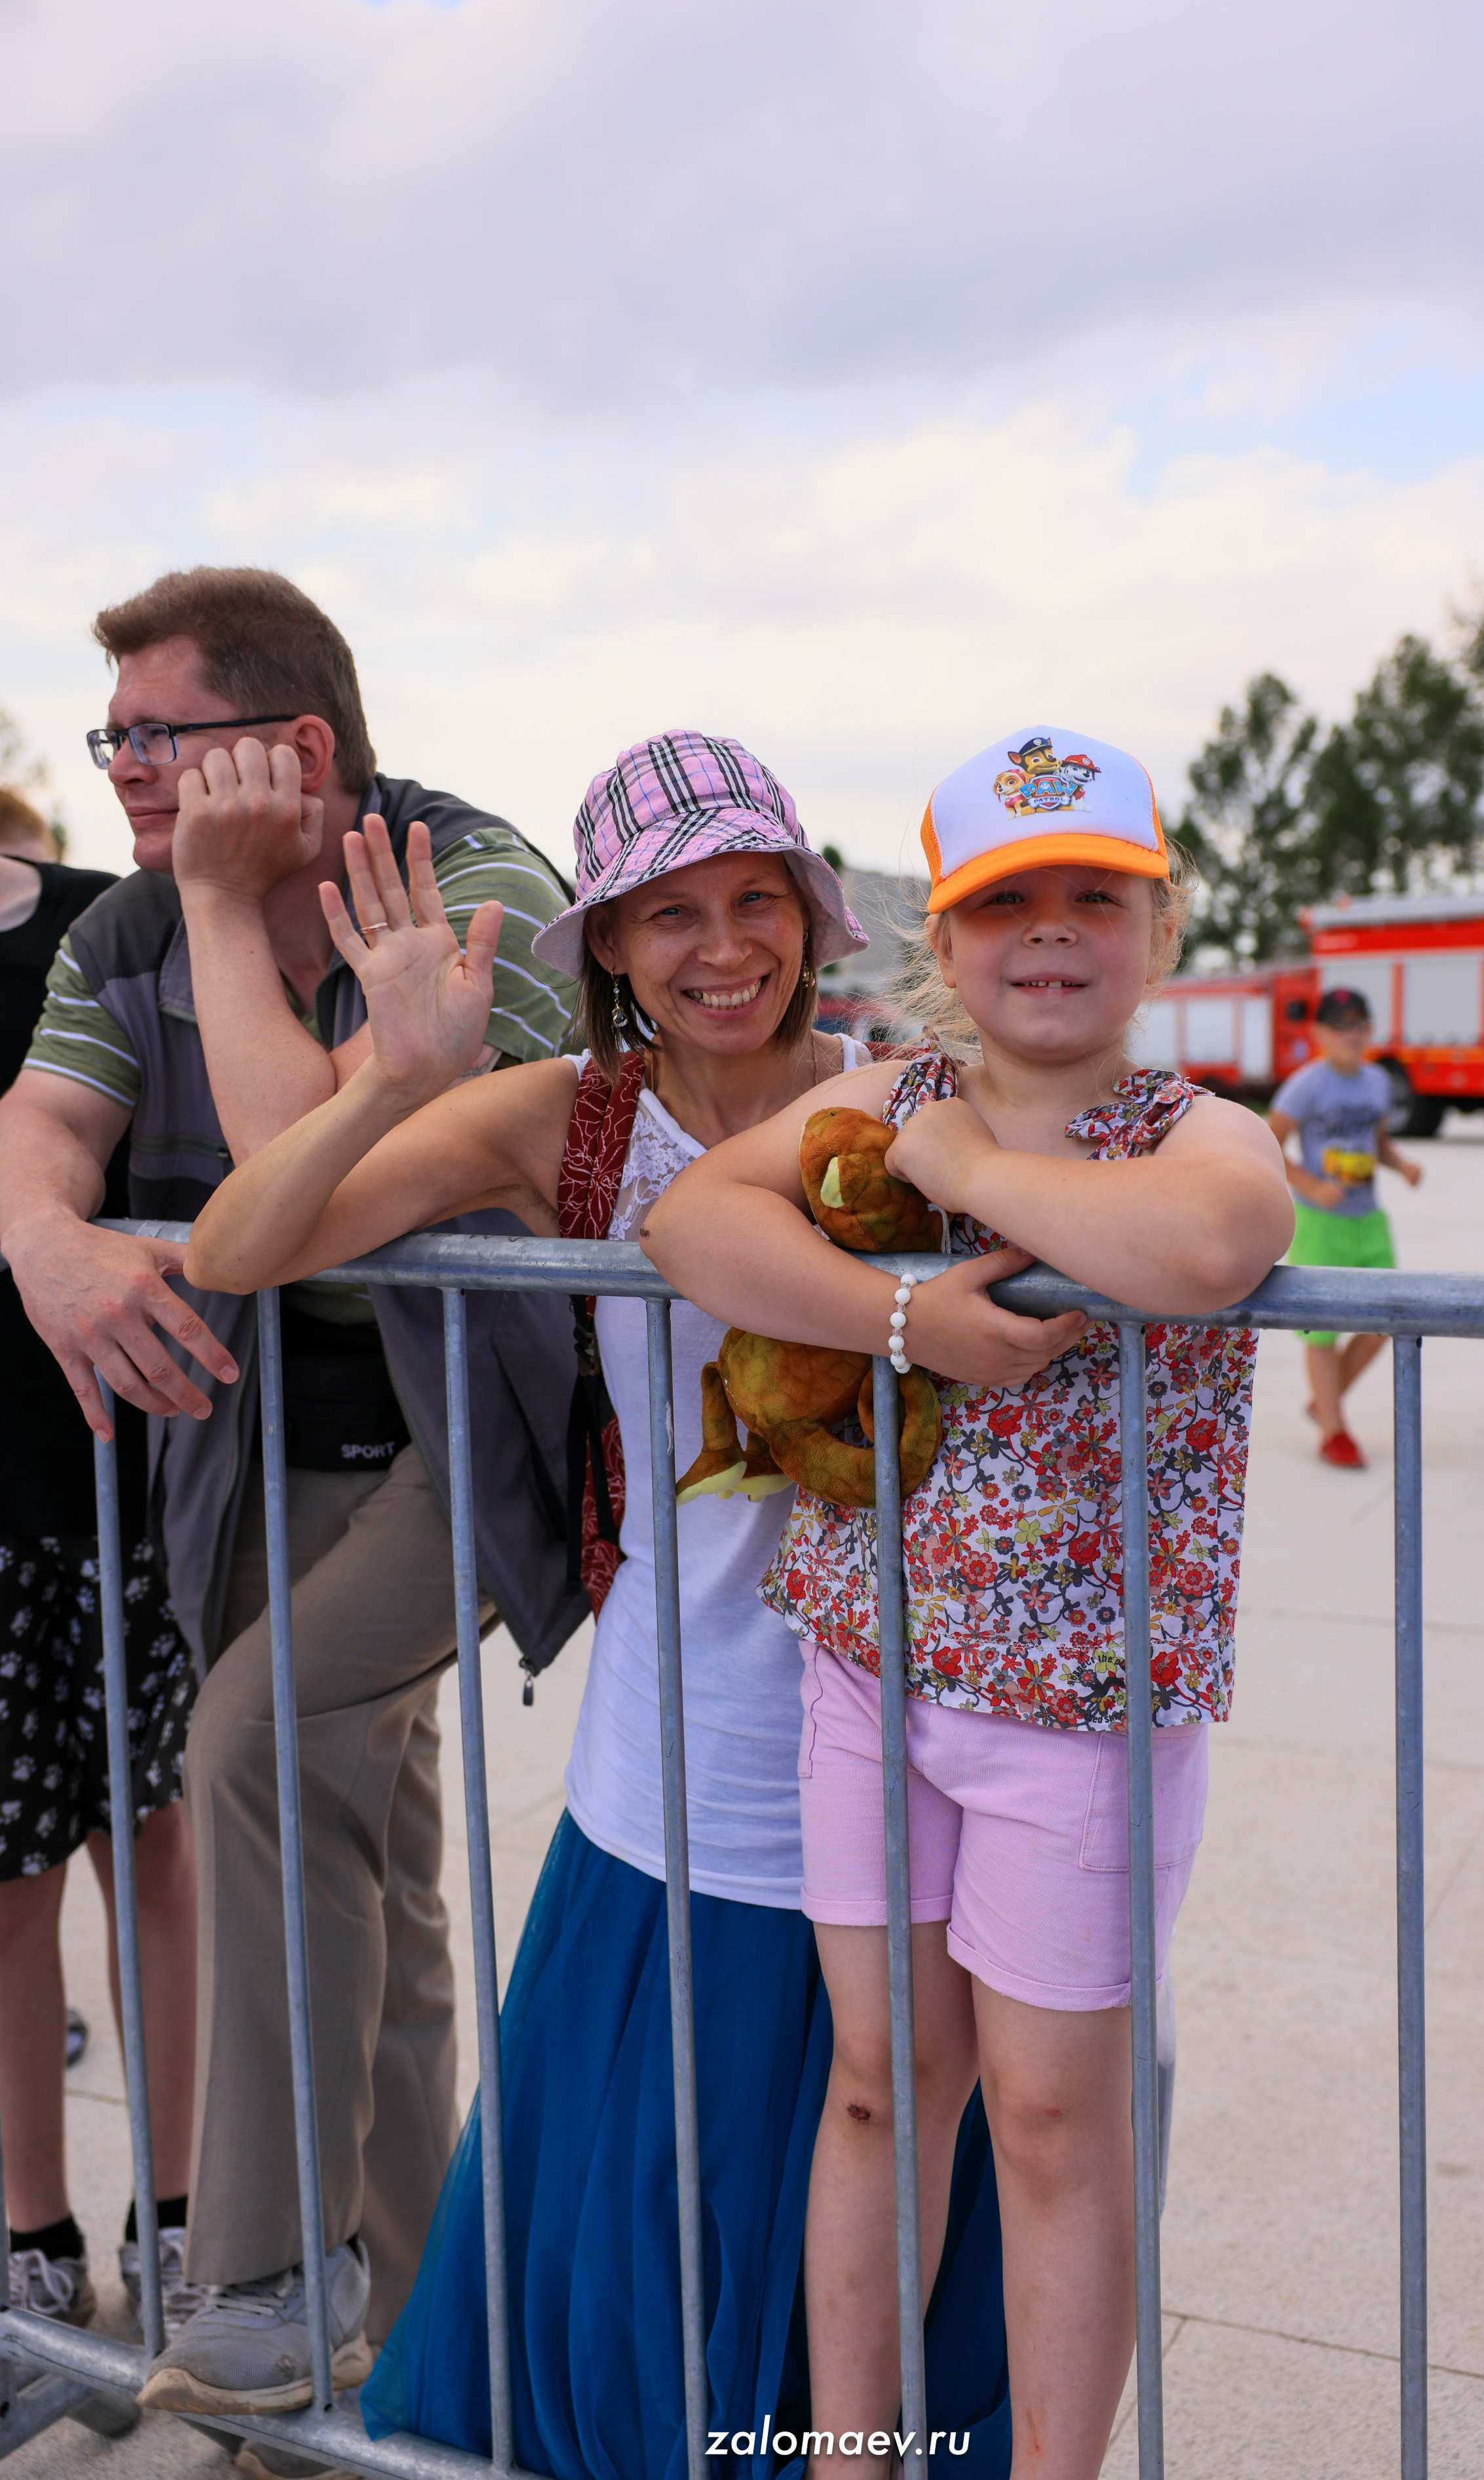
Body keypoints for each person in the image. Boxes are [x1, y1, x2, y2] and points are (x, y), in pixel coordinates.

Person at [183, 731, 1009, 2480]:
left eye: (755, 899)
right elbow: (238, 1248)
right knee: (661, 2198)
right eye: (671, 912)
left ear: (810, 914)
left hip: (903, 1722)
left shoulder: (912, 1096)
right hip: (673, 1748)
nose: (725, 946)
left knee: (885, 2130)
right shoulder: (566, 1117)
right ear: (611, 943)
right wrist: (390, 1081)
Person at [646, 727, 1295, 2480]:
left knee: (1055, 2117)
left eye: (1097, 893)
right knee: (876, 2084)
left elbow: (1210, 1244)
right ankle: (852, 2458)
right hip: (869, 1676)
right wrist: (905, 1312)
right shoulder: (881, 1098)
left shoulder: (1190, 1129)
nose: (1052, 929)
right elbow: (693, 1221)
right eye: (1005, 901)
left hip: (1080, 1716)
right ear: (944, 936)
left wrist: (961, 1171)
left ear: (1158, 931)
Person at [0, 568, 577, 2436]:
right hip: (252, 1439)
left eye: (156, 733)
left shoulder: (473, 889)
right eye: (110, 735)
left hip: (462, 1429)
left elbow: (287, 1175)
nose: (121, 769)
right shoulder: (128, 922)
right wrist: (44, 1242)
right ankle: (408, 2371)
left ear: (298, 745)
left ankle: (262, 2275)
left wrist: (224, 903)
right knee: (369, 1878)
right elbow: (42, 1123)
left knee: (249, 1741)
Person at [0, 788, 200, 2335]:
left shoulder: (103, 922)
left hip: (137, 1476)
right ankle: (35, 2234)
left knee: (157, 1855)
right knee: (7, 1890)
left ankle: (179, 2215)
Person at [1265, 986, 1423, 1469]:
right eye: (1339, 1027)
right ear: (1319, 1033)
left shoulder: (1377, 1081)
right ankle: (1334, 1431)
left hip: (1368, 1217)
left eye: (1358, 1025)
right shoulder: (1307, 1084)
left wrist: (1401, 1164)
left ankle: (1324, 1403)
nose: (1350, 1035)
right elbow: (1268, 1145)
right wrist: (1312, 1186)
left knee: (1387, 1320)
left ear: (1370, 1029)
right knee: (1322, 1333)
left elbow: (1378, 1142)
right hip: (1321, 1222)